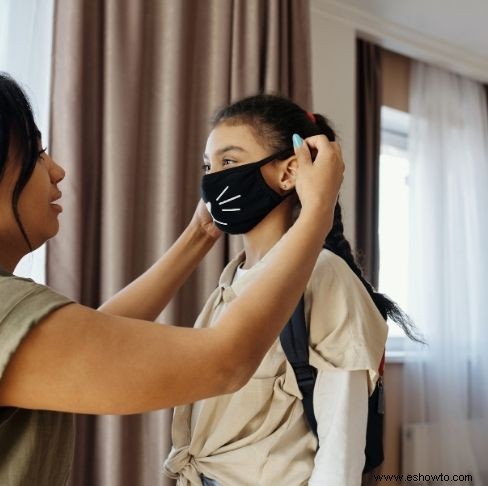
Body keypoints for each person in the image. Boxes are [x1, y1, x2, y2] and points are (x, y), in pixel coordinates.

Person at [0, 75, 343, 485]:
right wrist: (316, 211)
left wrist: (197, 235)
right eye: (36, 155)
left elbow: (96, 337)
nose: (57, 171)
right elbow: (225, 362)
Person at [164, 94, 420, 486]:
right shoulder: (229, 282)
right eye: (208, 165)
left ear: (288, 173)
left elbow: (340, 453)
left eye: (228, 162)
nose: (213, 179)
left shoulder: (325, 277)